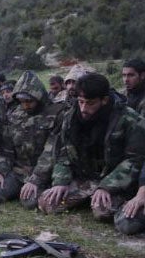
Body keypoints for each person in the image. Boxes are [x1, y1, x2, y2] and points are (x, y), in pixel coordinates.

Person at [38, 73, 145, 221]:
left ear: (104, 100)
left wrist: (107, 186)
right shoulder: (71, 117)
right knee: (47, 203)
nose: (83, 108)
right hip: (86, 178)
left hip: (115, 179)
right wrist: (60, 182)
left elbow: (134, 159)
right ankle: (89, 197)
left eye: (90, 103)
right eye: (81, 101)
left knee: (102, 212)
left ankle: (107, 199)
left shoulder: (129, 119)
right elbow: (64, 152)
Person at [0, 71, 66, 205]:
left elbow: (51, 152)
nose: (26, 105)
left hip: (45, 172)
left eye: (29, 101)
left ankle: (37, 189)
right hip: (20, 170)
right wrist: (0, 172)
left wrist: (36, 179)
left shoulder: (57, 113)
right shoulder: (15, 115)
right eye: (22, 102)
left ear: (38, 97)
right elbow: (6, 149)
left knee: (29, 202)